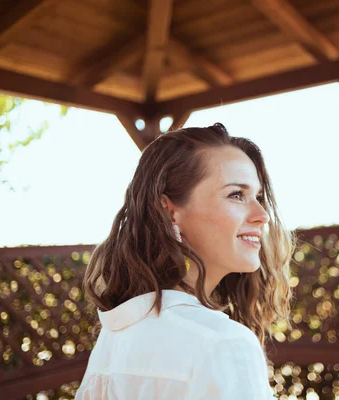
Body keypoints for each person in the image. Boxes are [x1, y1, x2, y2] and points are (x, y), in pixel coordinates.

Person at [75, 123, 294, 399]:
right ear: (170, 211)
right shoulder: (223, 343)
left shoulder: (114, 335)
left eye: (258, 197)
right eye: (236, 195)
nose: (262, 214)